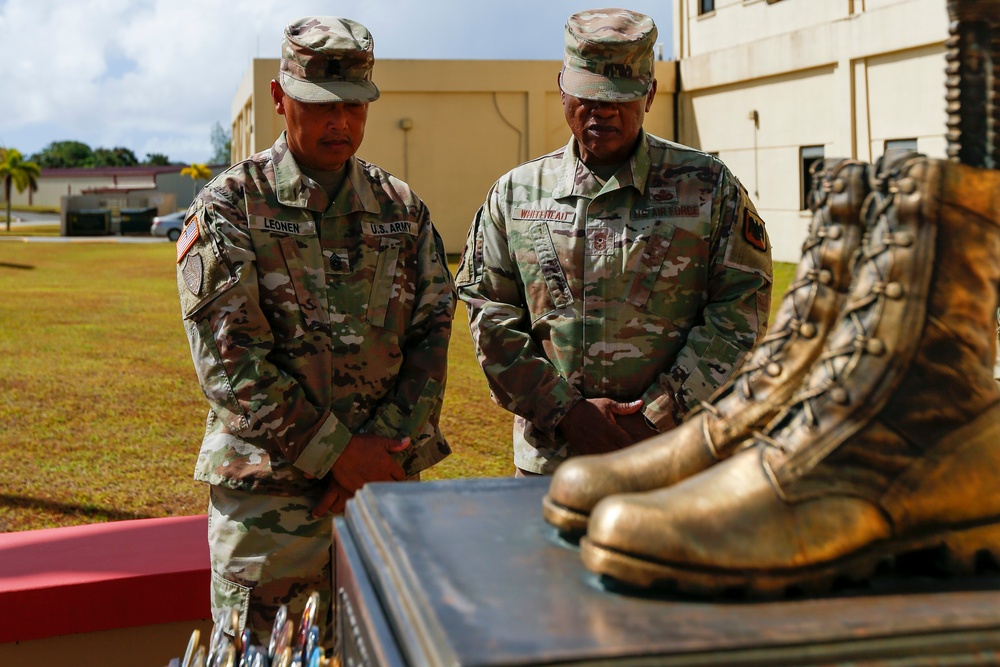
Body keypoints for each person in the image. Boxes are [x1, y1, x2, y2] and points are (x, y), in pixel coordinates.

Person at [176, 16, 455, 647]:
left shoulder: (400, 207)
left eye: (355, 106)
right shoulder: (230, 206)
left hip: (383, 493)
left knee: (385, 649)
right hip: (271, 510)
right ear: (280, 98)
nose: (341, 124)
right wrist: (338, 455)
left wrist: (382, 452)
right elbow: (231, 361)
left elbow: (434, 331)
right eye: (320, 106)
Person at [457, 8, 772, 476]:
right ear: (562, 87)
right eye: (588, 95)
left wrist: (659, 414)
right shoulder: (515, 195)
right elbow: (490, 314)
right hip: (552, 460)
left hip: (676, 459)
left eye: (619, 97)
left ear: (650, 94)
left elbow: (741, 308)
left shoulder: (707, 186)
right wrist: (568, 413)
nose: (602, 109)